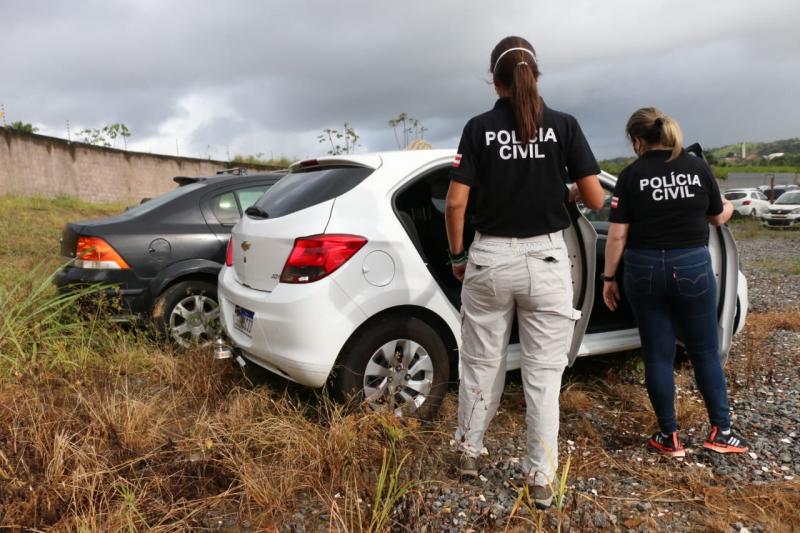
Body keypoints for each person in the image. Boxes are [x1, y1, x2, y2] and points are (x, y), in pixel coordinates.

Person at [445, 36, 604, 509]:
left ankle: (468, 453)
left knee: (480, 363)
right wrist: (563, 194)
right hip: (548, 262)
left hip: (490, 259)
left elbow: (456, 201)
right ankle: (540, 478)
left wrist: (457, 256)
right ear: (535, 76)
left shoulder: (478, 128)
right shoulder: (565, 125)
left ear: (494, 81)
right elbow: (596, 199)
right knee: (543, 377)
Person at [602, 107, 749, 458]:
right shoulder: (696, 167)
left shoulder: (631, 175)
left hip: (643, 268)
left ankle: (669, 438)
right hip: (692, 266)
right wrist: (728, 206)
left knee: (657, 356)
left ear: (637, 140)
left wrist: (609, 278)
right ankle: (722, 432)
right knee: (704, 352)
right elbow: (717, 216)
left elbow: (617, 236)